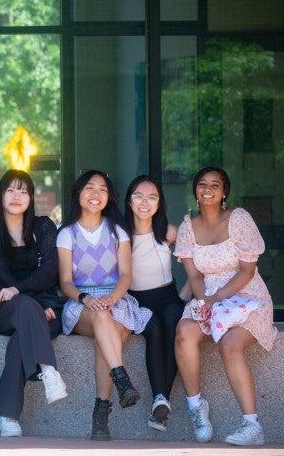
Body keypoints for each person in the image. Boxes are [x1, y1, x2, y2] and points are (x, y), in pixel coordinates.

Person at [174, 167, 275, 446]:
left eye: (215, 185)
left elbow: (247, 271)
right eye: (202, 184)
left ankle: (252, 426)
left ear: (224, 192)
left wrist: (214, 299)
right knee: (184, 332)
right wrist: (204, 301)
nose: (208, 189)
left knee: (230, 343)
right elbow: (194, 275)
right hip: (206, 295)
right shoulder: (187, 227)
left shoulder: (239, 219)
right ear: (195, 191)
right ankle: (197, 408)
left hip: (246, 295)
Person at [57, 170, 150, 441]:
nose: (95, 194)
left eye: (102, 189)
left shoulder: (117, 231)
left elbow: (126, 276)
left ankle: (101, 417)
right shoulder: (67, 234)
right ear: (78, 193)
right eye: (89, 187)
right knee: (100, 318)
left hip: (116, 299)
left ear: (109, 197)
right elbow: (65, 282)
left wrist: (112, 298)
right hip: (81, 302)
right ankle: (121, 380)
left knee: (104, 330)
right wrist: (86, 298)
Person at [0, 170, 67, 437]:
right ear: (1, 195)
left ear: (31, 197)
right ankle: (49, 370)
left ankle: (6, 417)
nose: (17, 196)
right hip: (5, 308)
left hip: (46, 309)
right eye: (11, 190)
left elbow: (51, 271)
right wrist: (29, 297)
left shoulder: (43, 227)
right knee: (26, 307)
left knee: (21, 339)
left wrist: (32, 297)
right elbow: (1, 281)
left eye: (23, 191)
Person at [123, 175, 184, 432]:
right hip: (138, 299)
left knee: (174, 325)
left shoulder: (168, 232)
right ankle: (161, 401)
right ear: (129, 201)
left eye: (152, 197)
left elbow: (196, 264)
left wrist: (184, 295)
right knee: (155, 329)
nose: (145, 202)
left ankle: (160, 401)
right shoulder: (121, 235)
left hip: (169, 296)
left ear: (160, 202)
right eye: (139, 196)